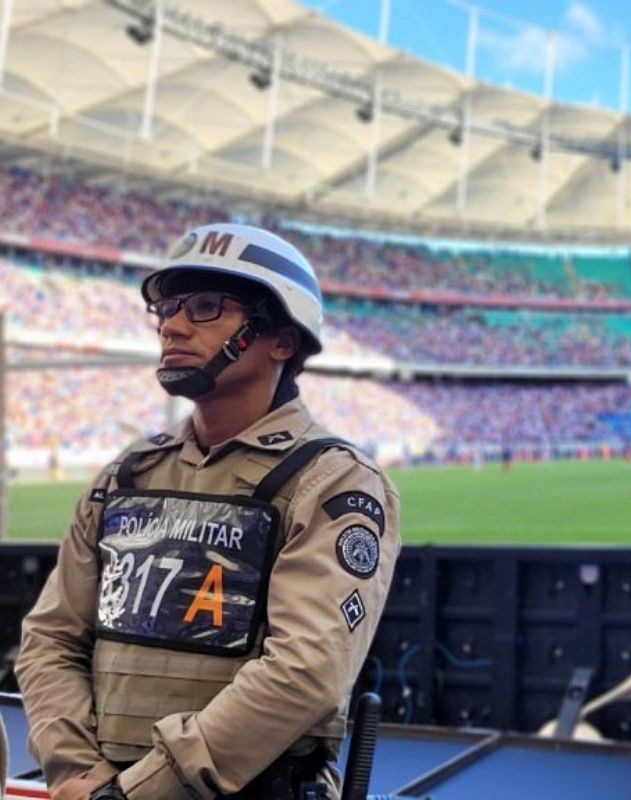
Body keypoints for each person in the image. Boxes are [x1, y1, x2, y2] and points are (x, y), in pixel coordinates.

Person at [16, 223, 401, 800]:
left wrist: (134, 793)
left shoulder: (331, 480)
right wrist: (76, 771)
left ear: (281, 340)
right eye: (167, 309)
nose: (172, 326)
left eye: (204, 307)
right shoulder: (127, 474)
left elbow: (304, 672)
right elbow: (51, 637)